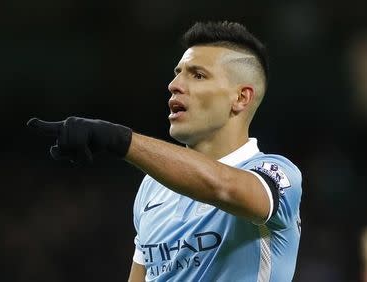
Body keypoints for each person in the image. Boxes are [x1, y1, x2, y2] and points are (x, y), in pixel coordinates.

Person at [27, 21, 302, 281]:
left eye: (197, 75)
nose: (175, 85)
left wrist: (119, 140)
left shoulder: (277, 174)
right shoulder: (153, 188)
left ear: (241, 98)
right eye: (177, 73)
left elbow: (224, 187)